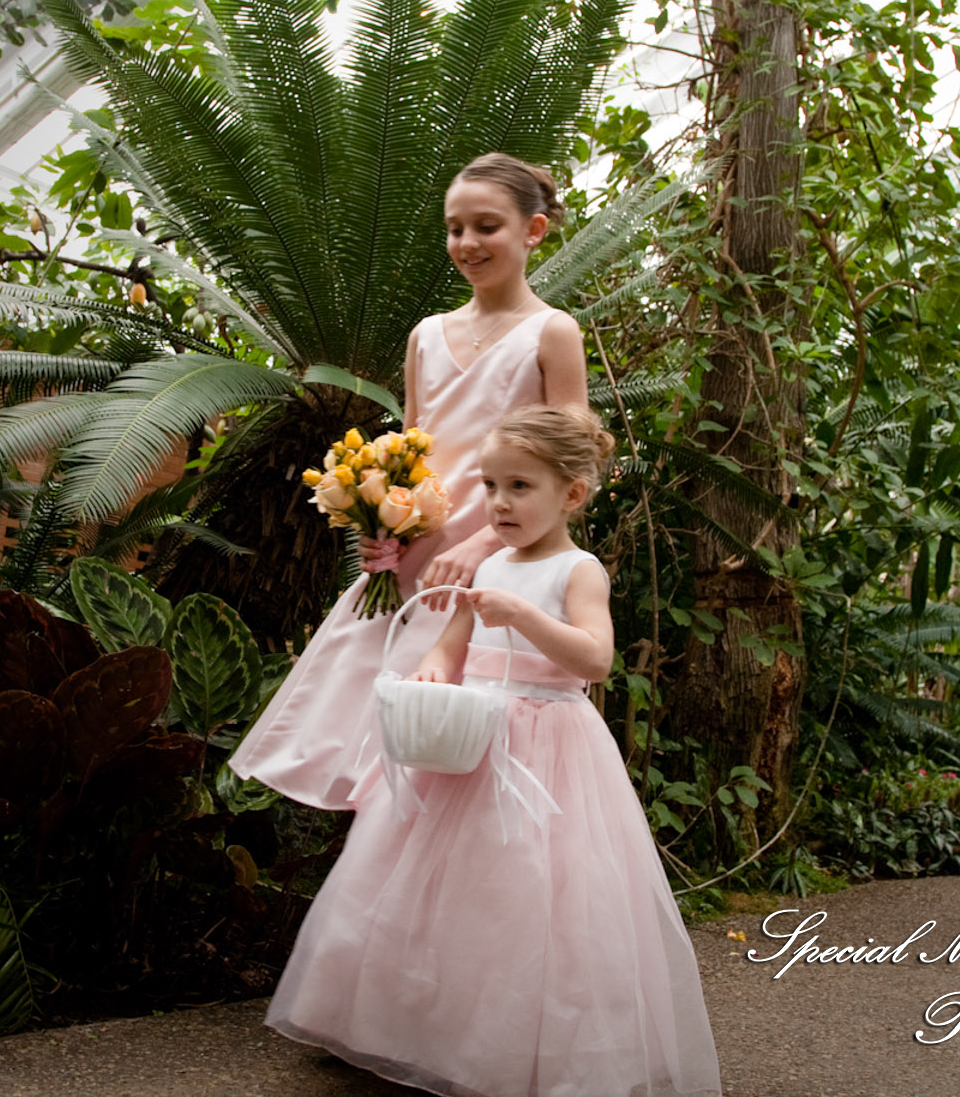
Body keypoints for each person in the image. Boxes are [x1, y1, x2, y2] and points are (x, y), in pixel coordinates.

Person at [264, 404, 723, 1097]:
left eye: (519, 487)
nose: (499, 503)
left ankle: (518, 1050)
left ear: (571, 494)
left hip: (549, 749)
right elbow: (451, 645)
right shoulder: (490, 565)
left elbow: (595, 660)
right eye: (490, 485)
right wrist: (429, 673)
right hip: (469, 743)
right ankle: (416, 1030)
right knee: (434, 889)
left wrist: (529, 618)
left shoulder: (578, 571)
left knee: (530, 894)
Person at [229, 153, 590, 809]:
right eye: (455, 229)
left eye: (487, 226)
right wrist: (381, 528)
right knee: (379, 750)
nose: (467, 244)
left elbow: (574, 464)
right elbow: (414, 453)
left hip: (495, 569)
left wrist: (486, 550)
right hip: (408, 571)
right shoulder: (426, 336)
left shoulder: (553, 332)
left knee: (463, 765)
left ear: (533, 231)